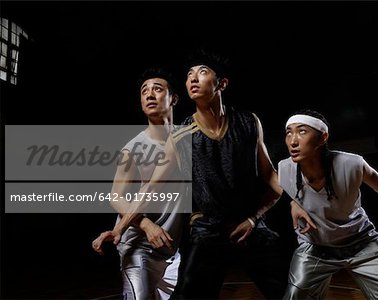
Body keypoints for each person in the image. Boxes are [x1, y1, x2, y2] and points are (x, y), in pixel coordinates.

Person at [167, 49, 316, 300]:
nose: (193, 79)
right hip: (207, 229)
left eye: (202, 72)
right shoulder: (179, 134)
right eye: (189, 75)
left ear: (221, 84)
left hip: (249, 224)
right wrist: (136, 224)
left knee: (292, 293)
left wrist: (290, 205)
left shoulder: (248, 122)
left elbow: (270, 175)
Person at [279, 109, 378, 299]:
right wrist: (293, 202)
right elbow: (274, 189)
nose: (293, 141)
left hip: (363, 243)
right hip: (315, 249)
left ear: (322, 138)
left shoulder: (352, 164)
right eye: (288, 132)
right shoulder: (284, 169)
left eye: (302, 131)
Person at [91, 66, 184, 300]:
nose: (150, 95)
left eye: (157, 89)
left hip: (173, 246)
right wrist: (145, 225)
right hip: (138, 245)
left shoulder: (187, 138)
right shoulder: (132, 149)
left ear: (173, 98)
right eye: (144, 91)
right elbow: (115, 196)